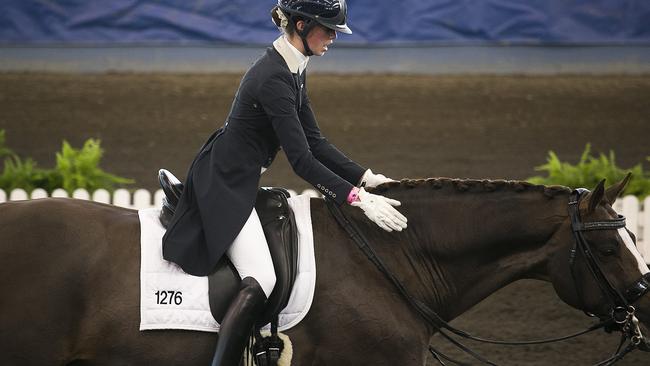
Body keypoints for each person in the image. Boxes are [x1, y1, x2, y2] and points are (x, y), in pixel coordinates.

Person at [161, 0, 408, 364]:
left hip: (239, 176)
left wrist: (367, 178)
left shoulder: (292, 67)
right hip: (225, 183)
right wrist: (355, 198)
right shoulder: (274, 77)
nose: (333, 39)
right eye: (328, 30)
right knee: (261, 276)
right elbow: (302, 161)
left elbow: (316, 142)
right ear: (301, 26)